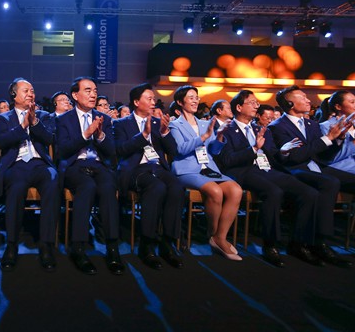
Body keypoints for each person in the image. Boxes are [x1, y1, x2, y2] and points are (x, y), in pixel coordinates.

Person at [214, 90, 321, 267]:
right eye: (252, 102)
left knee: (308, 192)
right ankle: (270, 245)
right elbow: (227, 161)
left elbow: (272, 155)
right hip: (242, 171)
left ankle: (299, 243)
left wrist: (283, 152)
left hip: (266, 169)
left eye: (257, 102)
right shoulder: (227, 129)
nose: (257, 105)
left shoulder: (260, 128)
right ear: (239, 107)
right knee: (274, 192)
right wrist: (254, 149)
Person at [268, 85, 353, 267]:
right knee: (330, 182)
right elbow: (294, 157)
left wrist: (338, 139)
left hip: (315, 166)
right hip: (294, 168)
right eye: (303, 97)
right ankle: (319, 241)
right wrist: (326, 139)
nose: (309, 101)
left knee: (350, 180)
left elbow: (322, 155)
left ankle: (316, 240)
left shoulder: (311, 124)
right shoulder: (277, 127)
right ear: (291, 103)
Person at [56, 77, 124, 275]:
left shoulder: (107, 119)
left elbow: (112, 151)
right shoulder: (63, 119)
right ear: (75, 95)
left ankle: (112, 248)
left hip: (98, 165)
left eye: (94, 90)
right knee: (87, 187)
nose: (93, 94)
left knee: (109, 187)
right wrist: (86, 134)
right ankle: (78, 247)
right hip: (75, 165)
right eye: (87, 90)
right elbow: (63, 151)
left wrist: (100, 135)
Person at [113, 83, 184, 270]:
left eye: (154, 99)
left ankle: (167, 242)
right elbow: (120, 150)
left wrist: (164, 132)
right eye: (149, 99)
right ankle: (147, 244)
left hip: (158, 167)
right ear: (136, 102)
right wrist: (143, 136)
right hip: (136, 169)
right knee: (157, 187)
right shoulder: (121, 123)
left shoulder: (157, 122)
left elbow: (173, 151)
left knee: (177, 186)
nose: (154, 102)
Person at [169, 85, 243, 261]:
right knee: (215, 191)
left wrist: (218, 137)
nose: (195, 100)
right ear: (180, 102)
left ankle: (220, 237)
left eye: (196, 97)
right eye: (191, 97)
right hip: (186, 169)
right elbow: (180, 149)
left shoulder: (204, 123)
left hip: (208, 168)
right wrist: (203, 137)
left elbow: (214, 151)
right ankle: (212, 233)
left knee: (235, 190)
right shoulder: (175, 124)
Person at [0, 78, 60, 272]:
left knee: (53, 179)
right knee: (16, 188)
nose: (31, 93)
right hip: (16, 165)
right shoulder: (3, 118)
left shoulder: (44, 115)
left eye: (32, 90)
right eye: (26, 90)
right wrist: (22, 126)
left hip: (40, 163)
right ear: (14, 95)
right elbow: (0, 143)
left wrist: (35, 122)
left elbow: (50, 139)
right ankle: (11, 244)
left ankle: (46, 244)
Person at [319, 90, 355, 261]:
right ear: (338, 107)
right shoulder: (326, 126)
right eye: (352, 102)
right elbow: (332, 158)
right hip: (339, 170)